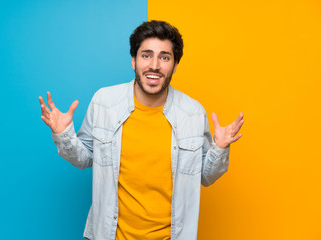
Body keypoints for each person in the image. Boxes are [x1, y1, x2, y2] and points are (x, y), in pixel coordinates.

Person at [39, 20, 244, 240]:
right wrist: (63, 135)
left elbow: (204, 176)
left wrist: (219, 149)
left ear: (174, 66)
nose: (154, 65)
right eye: (146, 55)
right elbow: (84, 158)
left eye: (164, 57)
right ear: (134, 61)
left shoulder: (193, 113)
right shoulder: (104, 102)